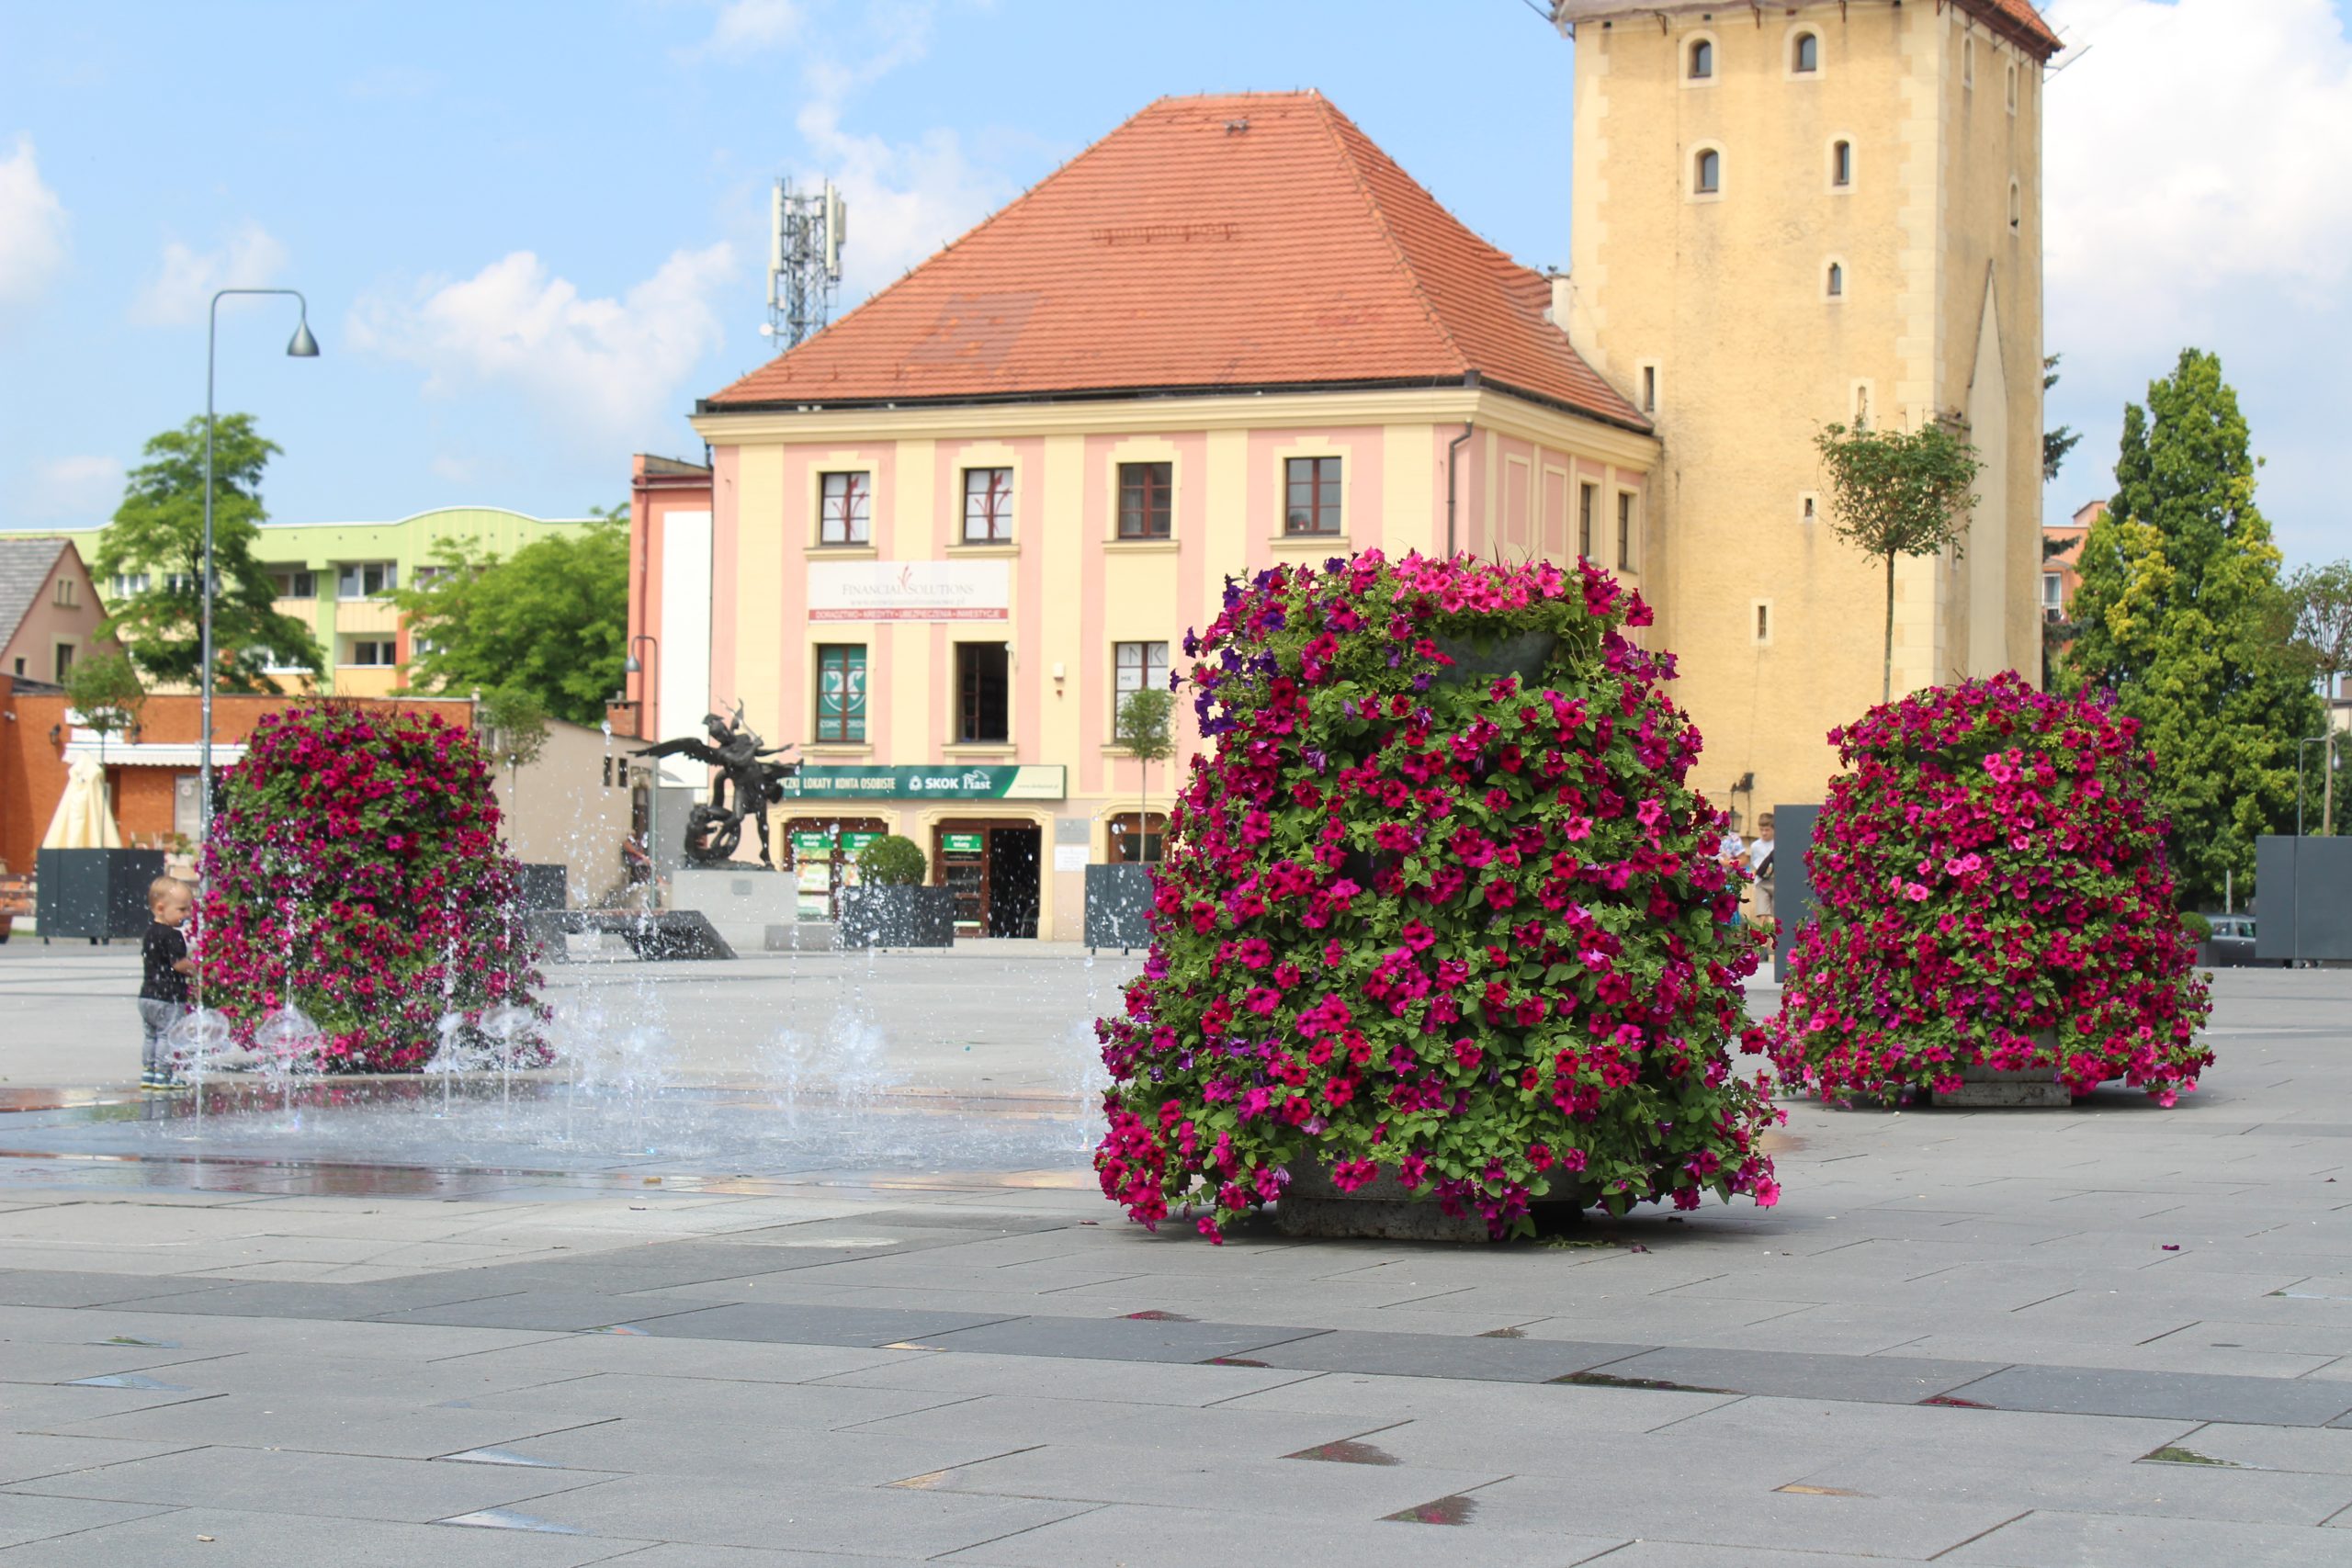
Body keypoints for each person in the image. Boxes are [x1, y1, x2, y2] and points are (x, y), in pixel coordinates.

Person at [138, 876, 196, 1092]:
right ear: (161, 908)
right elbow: (178, 964)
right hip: (168, 997)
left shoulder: (149, 932)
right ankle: (164, 1074)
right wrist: (196, 969)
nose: (187, 915)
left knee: (150, 1036)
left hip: (146, 996)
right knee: (166, 1035)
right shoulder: (173, 935)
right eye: (182, 909)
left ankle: (148, 1072)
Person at [1746, 813, 1778, 919]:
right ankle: (1764, 935)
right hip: (1761, 882)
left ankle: (1773, 935)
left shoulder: (1777, 844)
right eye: (1761, 830)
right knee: (1762, 915)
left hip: (1775, 882)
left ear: (1773, 829)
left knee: (1775, 916)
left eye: (1767, 830)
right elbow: (1753, 864)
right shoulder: (1755, 846)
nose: (1764, 833)